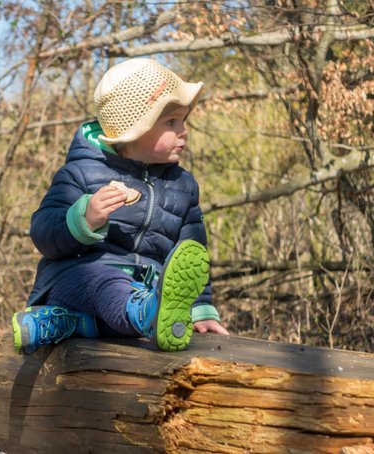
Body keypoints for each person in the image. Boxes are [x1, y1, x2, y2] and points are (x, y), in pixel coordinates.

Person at [12, 58, 229, 355]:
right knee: (101, 280)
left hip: (144, 291)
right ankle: (143, 312)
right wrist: (83, 219)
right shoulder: (81, 173)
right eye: (171, 122)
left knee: (133, 295)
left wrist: (201, 308)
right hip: (75, 281)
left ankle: (69, 324)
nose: (184, 130)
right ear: (135, 129)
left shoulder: (183, 185)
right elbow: (43, 233)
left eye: (183, 120)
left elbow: (190, 252)